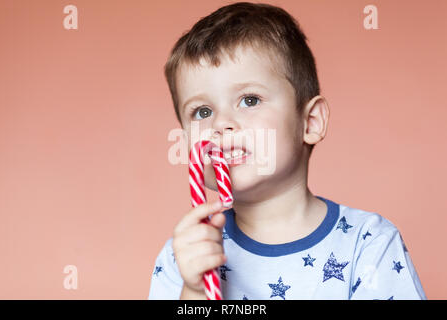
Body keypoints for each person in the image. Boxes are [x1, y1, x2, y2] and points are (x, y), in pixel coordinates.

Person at [149, 2, 426, 300]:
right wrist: (193, 292)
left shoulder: (369, 243)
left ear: (310, 121)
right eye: (202, 112)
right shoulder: (186, 256)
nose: (221, 124)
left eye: (250, 100)